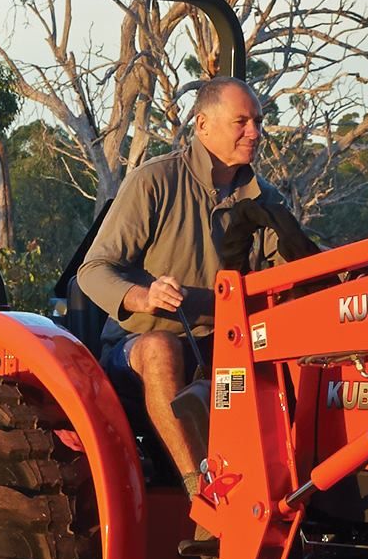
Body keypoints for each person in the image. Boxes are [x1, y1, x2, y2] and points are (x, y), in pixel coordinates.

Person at [78, 75, 284, 493]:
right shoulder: (154, 181)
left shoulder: (265, 199)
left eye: (259, 121)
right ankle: (200, 490)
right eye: (241, 121)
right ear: (203, 124)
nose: (255, 132)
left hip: (229, 349)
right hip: (138, 350)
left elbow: (295, 267)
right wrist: (143, 296)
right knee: (160, 348)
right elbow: (94, 270)